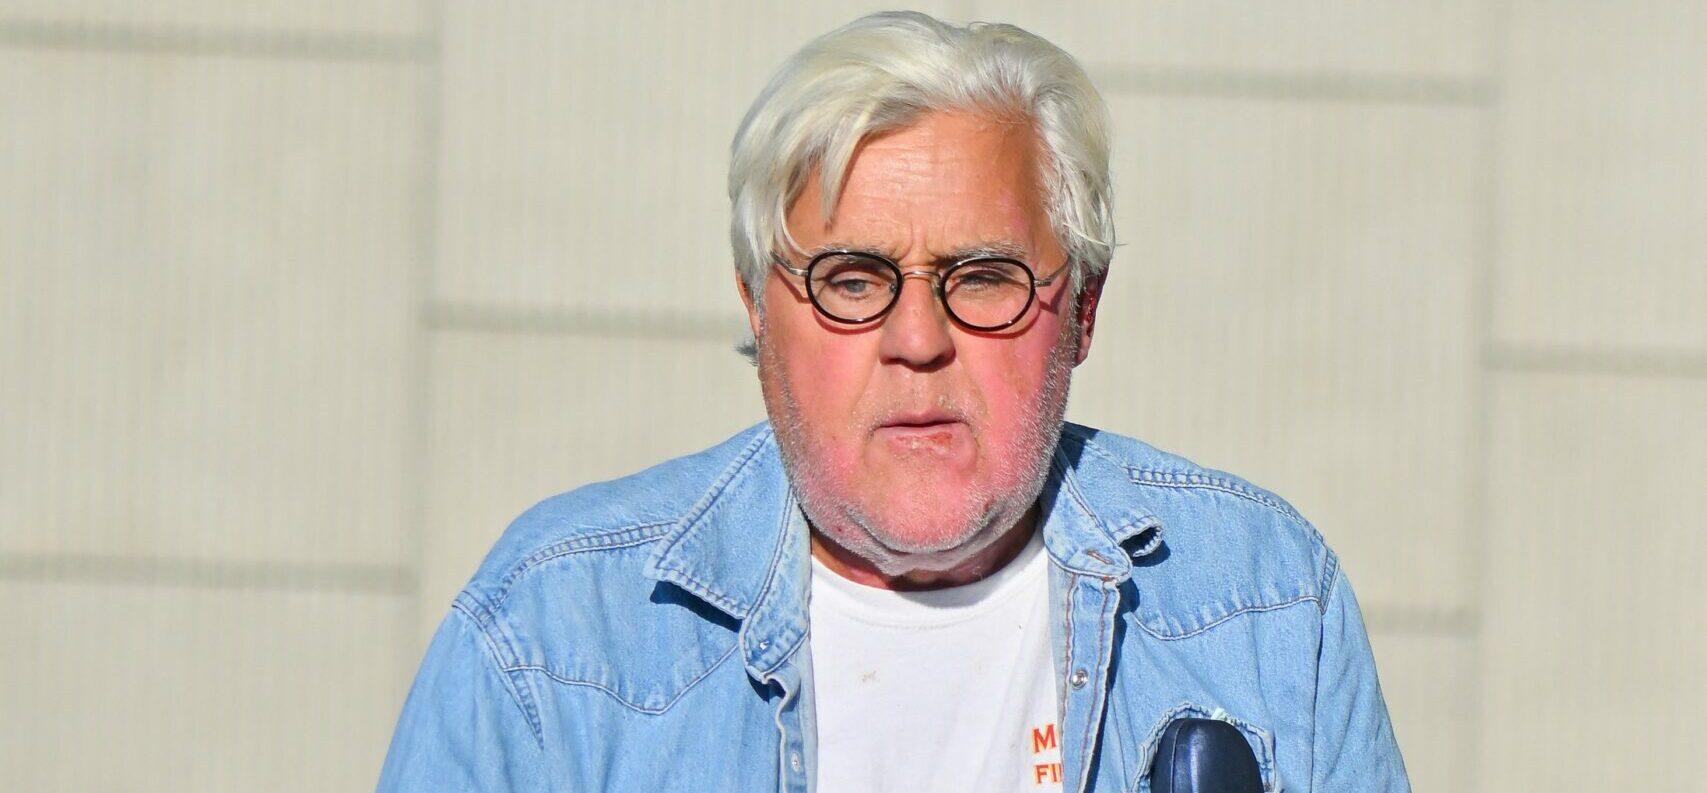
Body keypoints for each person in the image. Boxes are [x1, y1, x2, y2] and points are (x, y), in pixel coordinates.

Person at [376, 11, 1409, 792]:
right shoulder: (557, 639)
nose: (917, 340)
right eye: (854, 280)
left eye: (986, 277)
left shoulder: (1269, 606)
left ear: (1082, 312)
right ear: (758, 310)